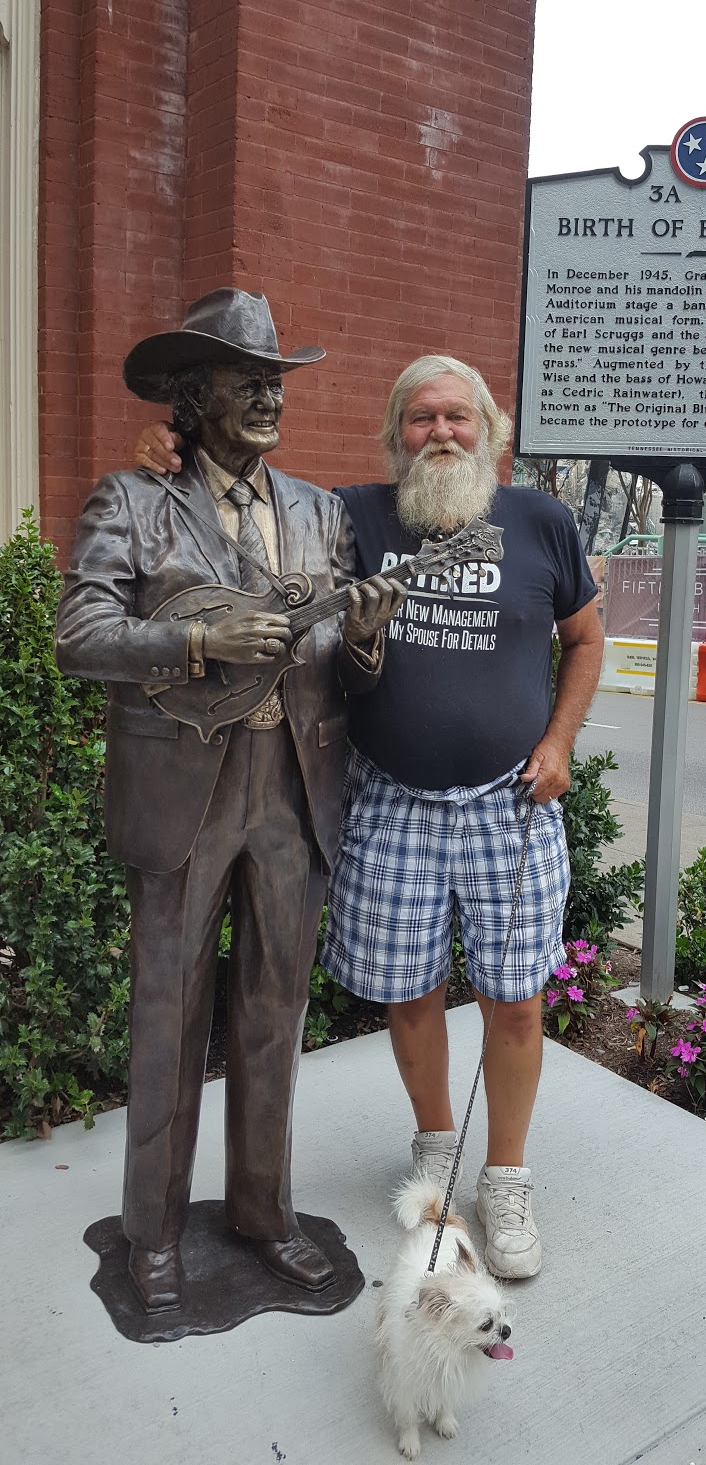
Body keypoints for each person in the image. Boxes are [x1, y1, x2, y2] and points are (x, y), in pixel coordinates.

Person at [137, 352, 604, 1280]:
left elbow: (586, 638)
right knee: (409, 991)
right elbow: (240, 503)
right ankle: (436, 1145)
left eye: (458, 417)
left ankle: (505, 1179)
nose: (441, 434)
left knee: (516, 1002)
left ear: (491, 432)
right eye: (421, 419)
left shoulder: (541, 523)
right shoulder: (350, 516)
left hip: (510, 803)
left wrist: (559, 743)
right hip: (389, 800)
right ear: (396, 436)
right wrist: (169, 451)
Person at [57, 289, 405, 1315]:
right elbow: (80, 637)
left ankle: (263, 1213)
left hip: (293, 789)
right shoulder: (131, 502)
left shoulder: (320, 512)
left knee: (272, 1012)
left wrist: (367, 638)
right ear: (190, 393)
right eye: (245, 379)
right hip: (183, 792)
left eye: (276, 381)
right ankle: (154, 1234)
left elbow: (339, 658)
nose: (268, 396)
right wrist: (198, 639)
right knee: (168, 1014)